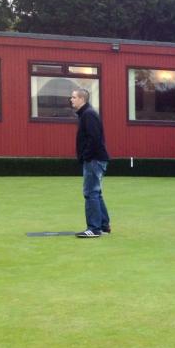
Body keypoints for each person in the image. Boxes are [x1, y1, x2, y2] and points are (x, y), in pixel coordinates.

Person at [71, 88, 111, 238]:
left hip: (94, 159)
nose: (71, 100)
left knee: (91, 193)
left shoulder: (89, 115)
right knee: (96, 193)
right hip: (95, 159)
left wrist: (85, 156)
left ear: (82, 99)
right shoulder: (86, 114)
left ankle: (94, 229)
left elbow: (94, 139)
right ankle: (104, 225)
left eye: (74, 97)